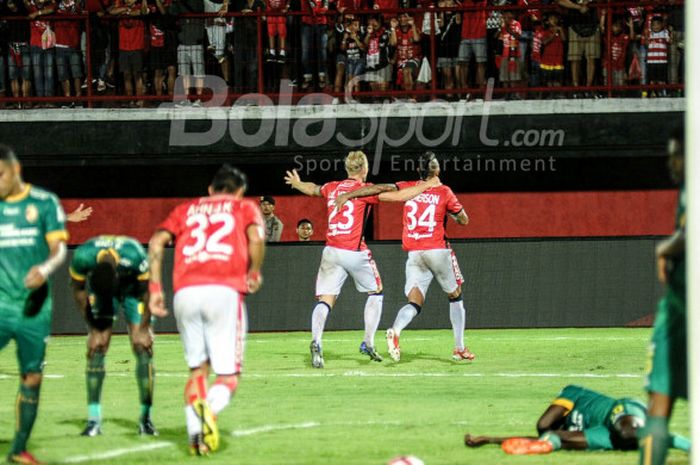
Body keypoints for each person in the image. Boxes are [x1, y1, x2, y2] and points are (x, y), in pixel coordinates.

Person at [148, 165, 265, 456]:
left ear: (211, 189)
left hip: (185, 293)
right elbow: (257, 238)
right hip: (223, 290)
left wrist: (154, 289)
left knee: (197, 370)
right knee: (227, 377)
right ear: (239, 191)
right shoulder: (243, 207)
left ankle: (194, 438)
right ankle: (208, 412)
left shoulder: (186, 209)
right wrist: (254, 272)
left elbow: (155, 242)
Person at [284, 151, 439, 368]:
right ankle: (368, 341)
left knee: (325, 300)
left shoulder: (332, 187)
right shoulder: (365, 191)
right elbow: (400, 197)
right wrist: (427, 185)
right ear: (364, 169)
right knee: (376, 292)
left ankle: (316, 341)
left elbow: (313, 189)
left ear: (347, 169)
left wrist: (297, 183)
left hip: (331, 250)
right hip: (354, 251)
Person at [334, 152, 472, 362]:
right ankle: (459, 347)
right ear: (437, 170)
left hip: (415, 253)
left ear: (418, 171)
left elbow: (380, 189)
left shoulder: (408, 187)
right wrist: (452, 213)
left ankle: (396, 330)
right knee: (455, 295)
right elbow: (463, 220)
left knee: (414, 301)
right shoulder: (444, 191)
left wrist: (351, 195)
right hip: (437, 250)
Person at [0, 145, 68, 465]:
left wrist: (44, 269)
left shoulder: (43, 202)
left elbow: (58, 249)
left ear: (16, 170)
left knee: (32, 377)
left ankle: (18, 448)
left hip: (33, 309)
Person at [69, 235, 157, 437]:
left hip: (135, 291)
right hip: (103, 293)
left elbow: (148, 293)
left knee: (142, 347)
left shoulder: (134, 253)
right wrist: (92, 327)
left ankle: (146, 419)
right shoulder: (83, 256)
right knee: (97, 345)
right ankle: (93, 421)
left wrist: (144, 329)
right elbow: (78, 289)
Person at [637, 127, 686, 465]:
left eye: (675, 154)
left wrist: (665, 248)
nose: (672, 162)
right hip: (677, 303)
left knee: (660, 401)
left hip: (680, 309)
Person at [464, 385, 690, 456]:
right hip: (603, 433)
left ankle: (685, 444)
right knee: (553, 438)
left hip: (618, 410)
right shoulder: (559, 430)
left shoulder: (573, 393)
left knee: (627, 433)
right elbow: (541, 437)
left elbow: (542, 427)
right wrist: (489, 439)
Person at [109, 0, 149, 107]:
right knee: (126, 75)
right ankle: (130, 100)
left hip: (137, 46)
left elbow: (144, 12)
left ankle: (140, 100)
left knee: (137, 75)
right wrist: (127, 9)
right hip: (123, 47)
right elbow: (111, 12)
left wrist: (126, 12)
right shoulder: (120, 7)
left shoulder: (140, 6)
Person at [557, 0, 600, 95]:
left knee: (591, 58)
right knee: (574, 58)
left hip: (592, 25)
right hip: (574, 26)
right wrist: (579, 7)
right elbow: (561, 1)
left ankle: (589, 87)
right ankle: (575, 87)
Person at [54, 0, 83, 107]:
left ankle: (78, 99)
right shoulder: (56, 6)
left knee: (76, 73)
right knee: (63, 74)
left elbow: (80, 12)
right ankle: (68, 99)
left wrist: (74, 7)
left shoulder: (76, 6)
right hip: (59, 45)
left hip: (73, 45)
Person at [645, 15, 671, 95]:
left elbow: (670, 41)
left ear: (662, 25)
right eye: (653, 25)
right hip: (651, 61)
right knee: (651, 79)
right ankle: (650, 93)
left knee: (663, 78)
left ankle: (666, 93)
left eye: (657, 24)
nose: (655, 26)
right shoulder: (649, 33)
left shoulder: (665, 32)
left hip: (662, 61)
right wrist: (646, 36)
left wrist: (671, 33)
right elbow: (646, 44)